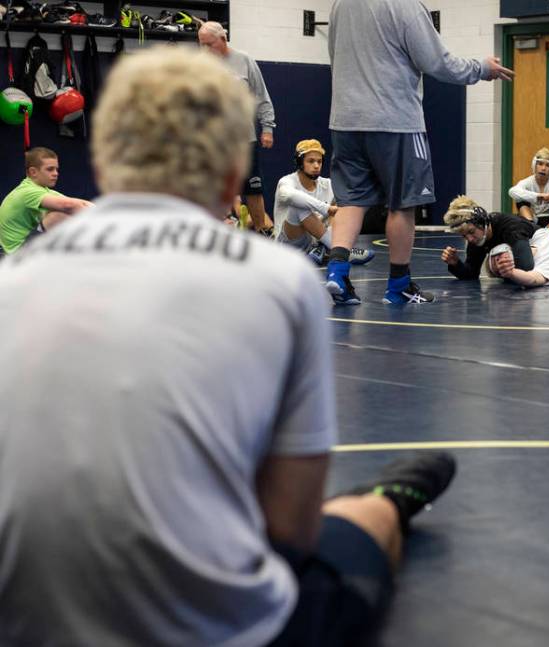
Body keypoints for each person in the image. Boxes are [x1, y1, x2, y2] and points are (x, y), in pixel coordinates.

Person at [0, 46, 456, 646]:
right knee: (356, 532)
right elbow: (290, 531)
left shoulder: (12, 281)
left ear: (105, 168)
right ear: (232, 175)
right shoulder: (279, 280)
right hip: (220, 628)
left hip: (24, 623)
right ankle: (386, 503)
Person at [324, 0, 514, 305]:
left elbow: (335, 56)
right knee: (403, 204)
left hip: (345, 120)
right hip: (395, 122)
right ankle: (398, 286)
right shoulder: (406, 6)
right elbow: (437, 62)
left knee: (351, 202)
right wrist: (482, 68)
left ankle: (337, 273)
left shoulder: (340, 5)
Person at [199, 20, 275, 236]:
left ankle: (262, 231)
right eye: (201, 44)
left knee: (253, 187)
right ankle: (218, 232)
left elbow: (261, 97)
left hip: (244, 138)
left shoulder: (245, 61)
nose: (204, 50)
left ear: (223, 40)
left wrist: (267, 128)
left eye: (208, 44)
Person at [273, 139, 374, 266]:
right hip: (288, 246)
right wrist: (326, 208)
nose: (316, 166)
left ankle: (324, 247)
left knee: (341, 203)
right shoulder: (287, 181)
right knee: (298, 205)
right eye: (311, 161)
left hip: (313, 244)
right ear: (300, 163)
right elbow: (290, 195)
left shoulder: (327, 184)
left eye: (319, 161)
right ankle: (340, 250)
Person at [0, 147, 92, 254]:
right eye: (50, 169)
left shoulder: (44, 190)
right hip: (17, 255)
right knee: (58, 215)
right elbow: (69, 205)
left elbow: (81, 203)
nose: (56, 173)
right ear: (33, 172)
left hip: (30, 245)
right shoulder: (27, 191)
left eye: (56, 169)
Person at [508, 147, 549, 227]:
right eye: (540, 164)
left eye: (548, 165)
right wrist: (538, 196)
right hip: (534, 218)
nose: (543, 168)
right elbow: (512, 191)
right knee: (520, 200)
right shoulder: (527, 182)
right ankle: (531, 226)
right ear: (534, 165)